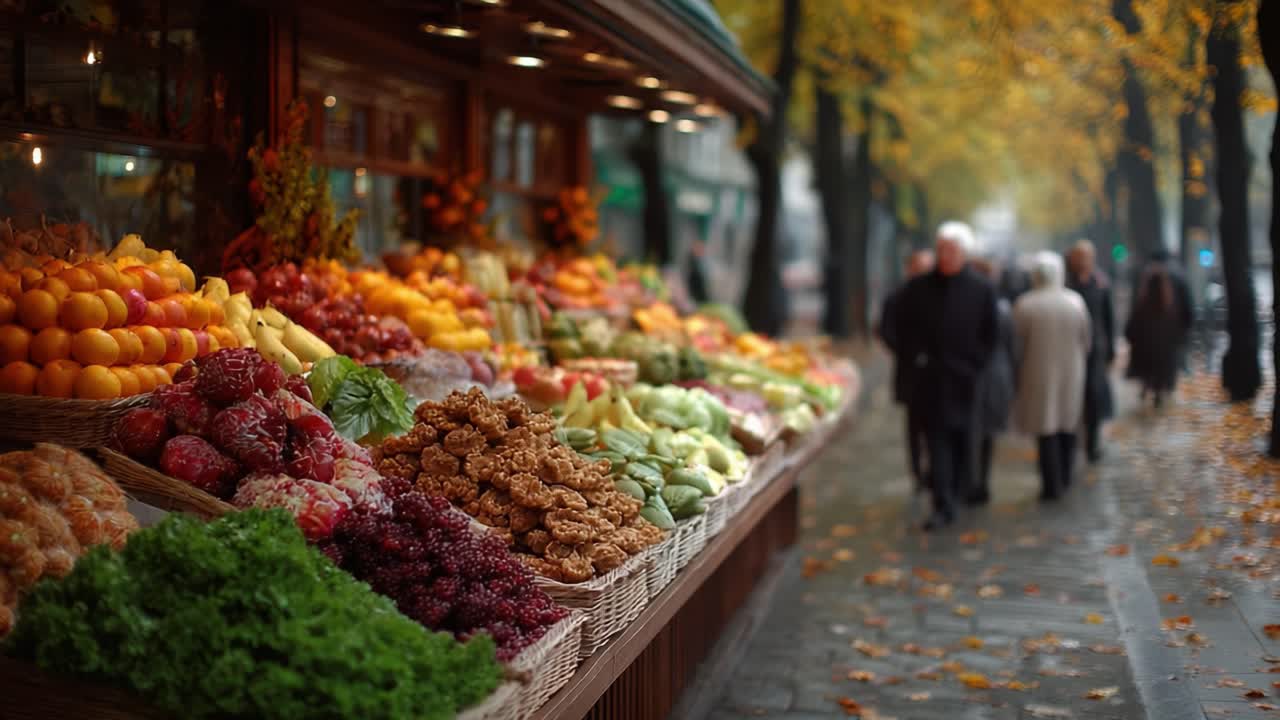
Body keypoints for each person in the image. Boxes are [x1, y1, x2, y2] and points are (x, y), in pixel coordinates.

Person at [893, 222, 998, 530]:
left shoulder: (981, 288)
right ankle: (942, 503)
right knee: (936, 443)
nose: (945, 256)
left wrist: (975, 364)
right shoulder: (918, 288)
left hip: (965, 381)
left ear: (963, 253)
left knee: (962, 442)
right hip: (930, 381)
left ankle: (959, 491)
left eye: (951, 250)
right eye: (941, 250)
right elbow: (902, 328)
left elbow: (991, 334)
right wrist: (916, 359)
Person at [1012, 252, 1090, 500]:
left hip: (1037, 373)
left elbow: (1017, 345)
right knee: (1068, 424)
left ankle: (1051, 484)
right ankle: (1066, 475)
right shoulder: (1075, 301)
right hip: (1072, 372)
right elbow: (1086, 340)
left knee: (1045, 428)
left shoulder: (1025, 304)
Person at [879, 249, 935, 494]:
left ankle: (934, 471)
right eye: (919, 266)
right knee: (914, 424)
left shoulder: (938, 294)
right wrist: (905, 352)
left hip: (936, 373)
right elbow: (885, 329)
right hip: (911, 372)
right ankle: (918, 472)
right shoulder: (897, 297)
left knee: (935, 424)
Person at [968, 257, 1015, 505]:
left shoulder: (970, 306)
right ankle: (982, 482)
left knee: (972, 431)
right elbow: (1010, 346)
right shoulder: (1004, 308)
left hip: (978, 375)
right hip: (997, 375)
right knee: (987, 434)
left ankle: (970, 482)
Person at [1066, 240, 1116, 462]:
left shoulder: (1101, 283)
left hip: (1095, 349)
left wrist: (1111, 349)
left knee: (1094, 396)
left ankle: (1092, 443)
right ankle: (1071, 441)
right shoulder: (1066, 283)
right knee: (1072, 396)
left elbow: (1109, 318)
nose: (1083, 261)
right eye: (1080, 257)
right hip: (1070, 349)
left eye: (1087, 257)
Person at [1126, 261, 1192, 407]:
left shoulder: (1142, 307)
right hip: (1165, 355)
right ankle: (1159, 393)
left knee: (1149, 374)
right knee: (1161, 377)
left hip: (1146, 353)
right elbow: (1182, 324)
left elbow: (1131, 329)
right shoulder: (1171, 309)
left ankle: (1147, 388)